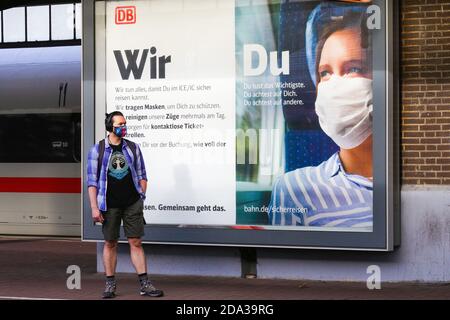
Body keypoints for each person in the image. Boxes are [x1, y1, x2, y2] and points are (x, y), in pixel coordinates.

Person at [268, 8, 373, 229]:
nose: (334, 85)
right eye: (325, 73)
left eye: (353, 68)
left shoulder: (412, 182)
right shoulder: (296, 190)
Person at [87, 111, 163, 298]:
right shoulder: (98, 150)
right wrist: (94, 208)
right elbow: (92, 182)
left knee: (136, 242)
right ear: (110, 126)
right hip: (109, 205)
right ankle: (110, 285)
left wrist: (141, 196)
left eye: (125, 123)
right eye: (120, 124)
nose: (124, 127)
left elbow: (142, 175)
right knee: (110, 242)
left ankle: (145, 285)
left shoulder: (133, 148)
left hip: (132, 203)